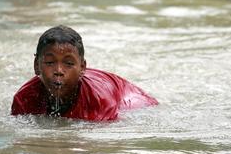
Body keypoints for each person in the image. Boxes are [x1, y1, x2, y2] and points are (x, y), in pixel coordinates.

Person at [11, 25, 158, 121]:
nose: (59, 71)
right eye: (50, 63)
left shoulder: (99, 102)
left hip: (125, 95)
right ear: (36, 66)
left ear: (82, 68)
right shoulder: (24, 99)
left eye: (68, 64)